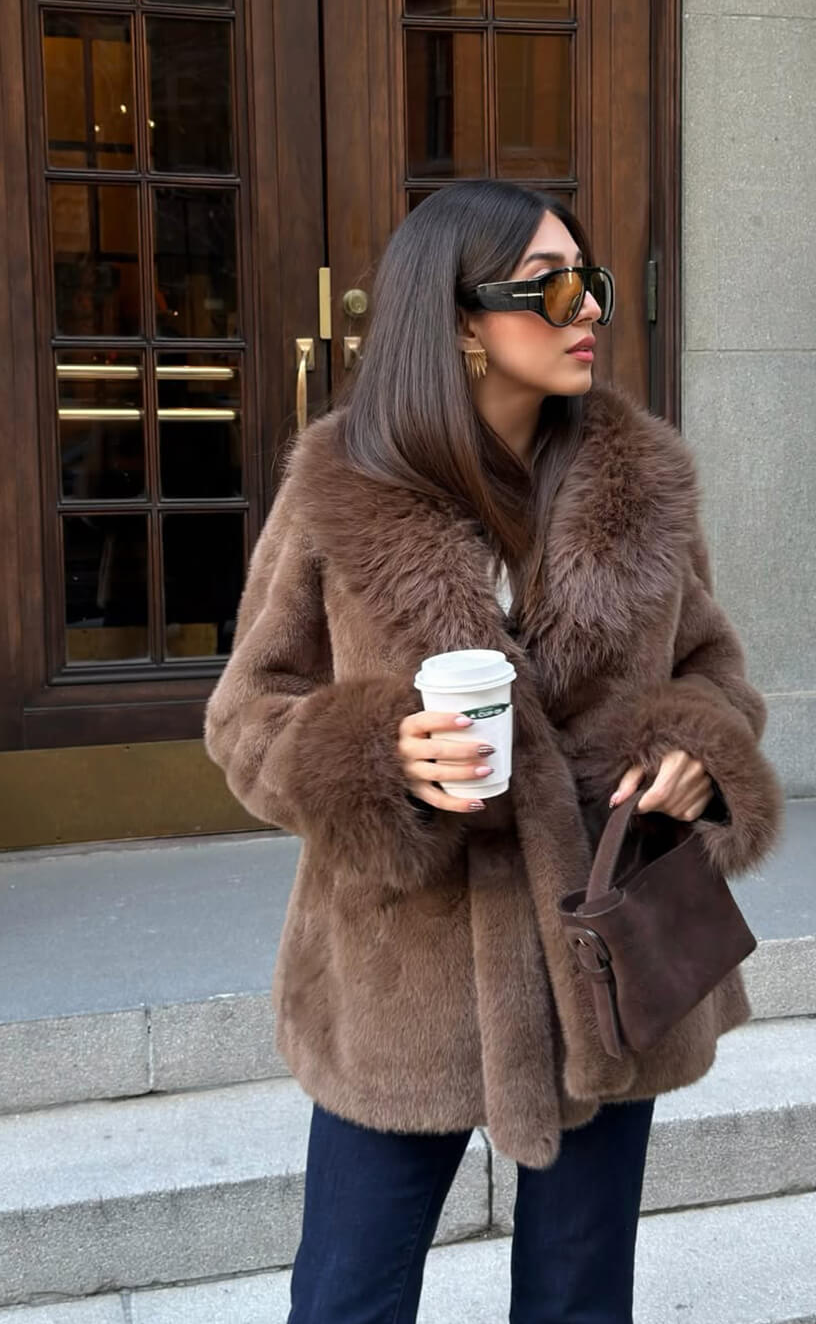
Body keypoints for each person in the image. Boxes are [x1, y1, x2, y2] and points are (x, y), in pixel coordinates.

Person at [203, 178, 783, 1324]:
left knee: (579, 1297)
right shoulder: (339, 491)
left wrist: (698, 751)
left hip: (604, 951)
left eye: (591, 282)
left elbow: (715, 670)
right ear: (461, 319)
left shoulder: (644, 486)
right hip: (402, 971)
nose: (590, 309)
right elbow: (247, 713)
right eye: (551, 288)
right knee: (350, 1295)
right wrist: (376, 757)